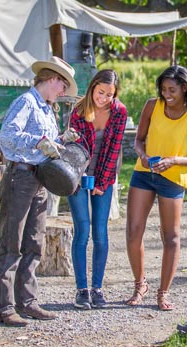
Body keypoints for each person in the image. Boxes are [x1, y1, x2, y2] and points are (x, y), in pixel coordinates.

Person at [0, 56, 79, 327]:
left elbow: (44, 144)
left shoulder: (46, 108)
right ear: (52, 79)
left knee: (34, 242)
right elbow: (7, 135)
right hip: (21, 177)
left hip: (39, 179)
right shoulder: (26, 102)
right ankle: (5, 307)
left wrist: (61, 140)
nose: (63, 92)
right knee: (11, 243)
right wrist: (41, 142)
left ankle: (27, 302)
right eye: (63, 86)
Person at [125, 65, 187, 311]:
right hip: (144, 175)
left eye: (172, 89)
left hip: (173, 179)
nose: (167, 94)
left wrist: (173, 161)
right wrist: (141, 154)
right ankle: (140, 285)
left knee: (171, 237)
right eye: (163, 89)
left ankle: (163, 293)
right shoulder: (153, 106)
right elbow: (138, 140)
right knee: (133, 232)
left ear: (185, 88)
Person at [67, 69, 128, 310]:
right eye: (100, 92)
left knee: (100, 233)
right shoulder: (79, 111)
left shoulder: (119, 112)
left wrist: (101, 183)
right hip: (78, 176)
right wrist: (82, 178)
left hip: (104, 176)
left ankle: (98, 288)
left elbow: (113, 150)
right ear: (92, 87)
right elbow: (74, 149)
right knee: (82, 230)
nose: (103, 98)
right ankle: (82, 290)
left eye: (109, 94)